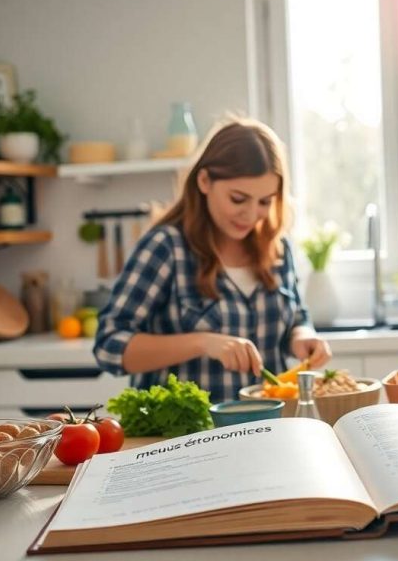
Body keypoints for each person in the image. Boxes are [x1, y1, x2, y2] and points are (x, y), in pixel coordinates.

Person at [94, 117, 332, 401]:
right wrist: (203, 343)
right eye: (238, 199)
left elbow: (296, 318)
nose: (251, 214)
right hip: (185, 438)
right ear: (204, 181)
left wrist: (303, 336)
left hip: (270, 429)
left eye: (265, 202)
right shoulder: (166, 247)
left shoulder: (277, 248)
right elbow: (109, 345)